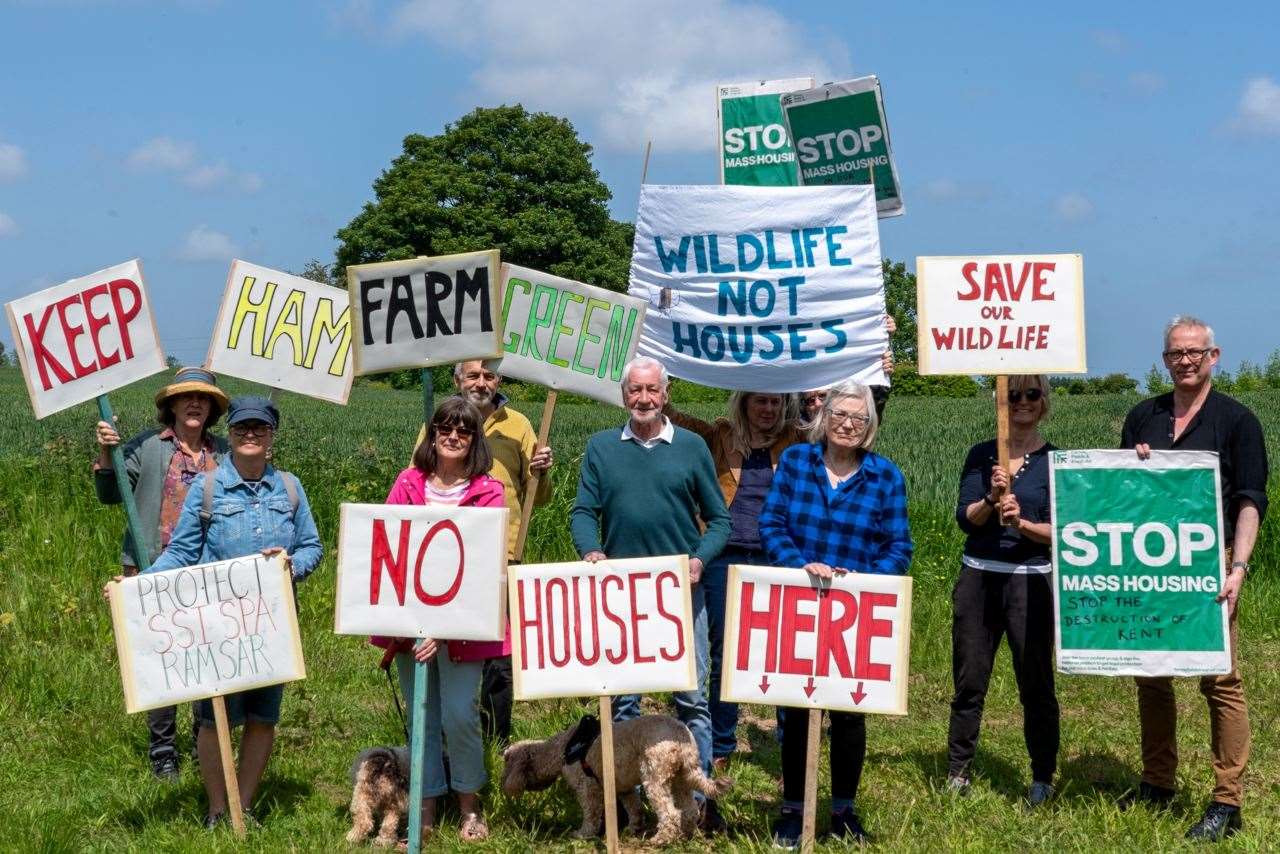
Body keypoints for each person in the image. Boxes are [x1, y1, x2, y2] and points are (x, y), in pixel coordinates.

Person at [115, 396, 323, 828]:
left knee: (263, 717)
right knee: (216, 720)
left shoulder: (290, 487)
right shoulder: (207, 489)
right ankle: (216, 808)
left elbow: (312, 546)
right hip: (218, 628)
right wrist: (136, 587)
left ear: (271, 438)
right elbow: (182, 553)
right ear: (231, 435)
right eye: (242, 428)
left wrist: (291, 563)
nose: (250, 435)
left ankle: (242, 806)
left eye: (259, 429)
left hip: (271, 625)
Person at [1118, 316, 1268, 841]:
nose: (1184, 361)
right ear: (1164, 360)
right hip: (1150, 564)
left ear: (1213, 356)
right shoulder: (1143, 416)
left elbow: (1250, 499)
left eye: (1193, 353)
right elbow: (1123, 497)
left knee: (1219, 679)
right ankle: (1158, 782)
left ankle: (1227, 802)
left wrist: (1238, 569)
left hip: (1212, 562)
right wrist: (1135, 468)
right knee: (1151, 673)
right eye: (1174, 354)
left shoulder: (1237, 421)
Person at [569, 355, 732, 832]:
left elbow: (719, 519)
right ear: (624, 396)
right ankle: (633, 805)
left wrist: (699, 559)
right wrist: (591, 550)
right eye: (635, 391)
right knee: (624, 703)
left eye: (652, 390)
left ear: (666, 395)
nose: (643, 398)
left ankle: (697, 804)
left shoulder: (693, 447)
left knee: (693, 699)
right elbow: (584, 510)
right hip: (622, 596)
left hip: (681, 593)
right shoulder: (601, 447)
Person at [758, 379, 912, 847]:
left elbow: (899, 547)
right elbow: (772, 523)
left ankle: (844, 809)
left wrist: (857, 579)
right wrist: (798, 565)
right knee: (797, 708)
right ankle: (793, 811)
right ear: (824, 420)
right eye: (840, 415)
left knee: (848, 715)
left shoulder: (886, 477)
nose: (848, 424)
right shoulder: (795, 462)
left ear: (870, 427)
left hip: (854, 612)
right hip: (798, 602)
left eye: (858, 419)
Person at [93, 366, 229, 781]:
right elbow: (109, 493)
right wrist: (105, 453)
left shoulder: (223, 452)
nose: (194, 404)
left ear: (211, 409)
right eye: (186, 397)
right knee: (162, 656)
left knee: (208, 655)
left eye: (203, 399)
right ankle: (163, 751)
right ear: (170, 405)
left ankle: (202, 738)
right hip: (153, 565)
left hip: (209, 569)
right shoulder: (148, 448)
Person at [384, 397, 506, 842]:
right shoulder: (408, 481)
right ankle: (426, 808)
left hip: (464, 628)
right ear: (432, 434)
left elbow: (481, 563)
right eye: (444, 428)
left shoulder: (489, 490)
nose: (453, 437)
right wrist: (416, 624)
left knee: (458, 714)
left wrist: (442, 627)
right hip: (408, 624)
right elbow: (389, 550)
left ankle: (470, 806)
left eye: (464, 431)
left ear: (475, 440)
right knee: (422, 715)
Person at [414, 360, 553, 746]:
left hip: (502, 558)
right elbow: (416, 481)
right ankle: (440, 736)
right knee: (441, 646)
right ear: (457, 380)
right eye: (472, 375)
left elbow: (537, 498)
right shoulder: (440, 424)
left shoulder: (520, 425)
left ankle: (495, 743)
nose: (481, 382)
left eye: (488, 375)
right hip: (443, 559)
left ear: (499, 380)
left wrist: (542, 471)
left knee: (498, 655)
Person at [663, 390, 804, 770]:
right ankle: (721, 741)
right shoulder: (718, 436)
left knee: (782, 652)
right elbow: (669, 415)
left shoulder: (798, 440)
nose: (768, 408)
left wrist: (880, 376)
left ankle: (791, 742)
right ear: (743, 403)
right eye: (760, 401)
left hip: (777, 556)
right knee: (726, 650)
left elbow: (849, 423)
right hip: (724, 556)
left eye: (775, 402)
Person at [947, 374, 1059, 806]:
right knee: (970, 680)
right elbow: (965, 519)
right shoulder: (982, 456)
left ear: (1044, 402)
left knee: (1035, 682)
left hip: (1031, 581)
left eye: (1032, 394)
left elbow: (1063, 532)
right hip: (979, 577)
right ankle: (958, 770)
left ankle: (1042, 776)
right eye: (1013, 395)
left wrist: (1023, 524)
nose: (1023, 402)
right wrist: (992, 501)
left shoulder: (1055, 463)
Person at [800, 315, 897, 427]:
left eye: (823, 396)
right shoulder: (796, 434)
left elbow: (874, 404)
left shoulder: (850, 428)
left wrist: (878, 367)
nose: (817, 404)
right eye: (810, 401)